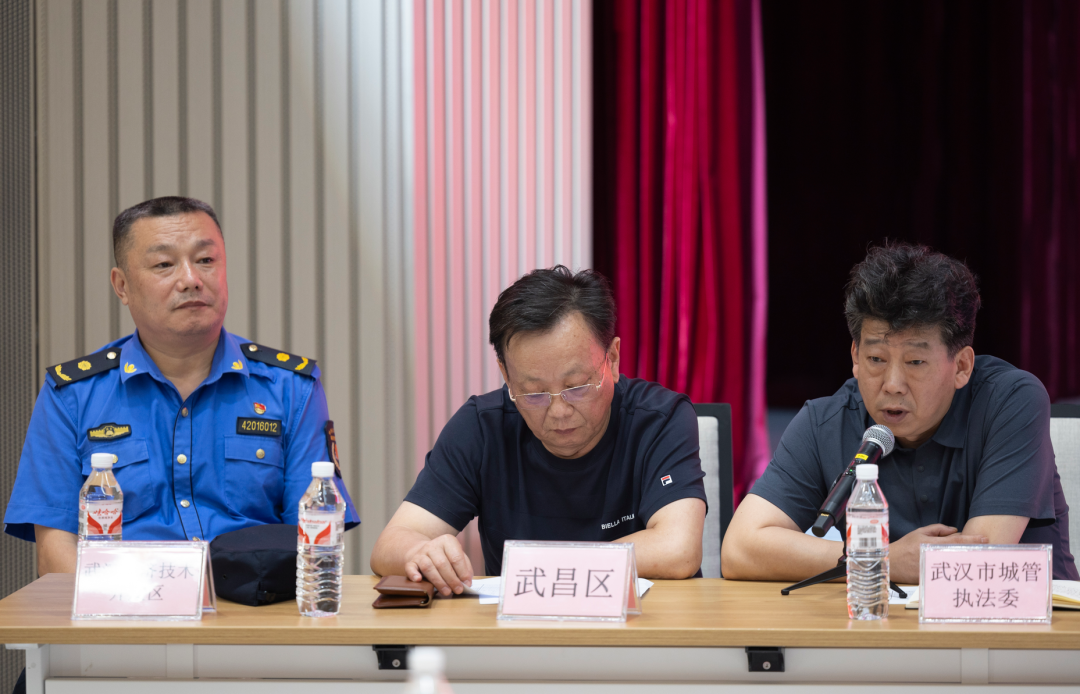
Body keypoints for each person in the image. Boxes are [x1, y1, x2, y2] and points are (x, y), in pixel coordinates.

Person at [3, 196, 359, 575]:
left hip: (253, 605)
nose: (191, 279)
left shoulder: (291, 388)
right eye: (164, 264)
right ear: (122, 286)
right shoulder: (72, 395)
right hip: (123, 605)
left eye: (205, 260)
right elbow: (55, 553)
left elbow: (317, 540)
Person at [723, 243, 1078, 583]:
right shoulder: (825, 423)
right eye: (876, 359)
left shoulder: (1011, 402)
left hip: (1025, 622)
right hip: (882, 623)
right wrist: (880, 559)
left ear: (961, 366)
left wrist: (881, 562)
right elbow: (739, 550)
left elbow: (975, 564)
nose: (892, 384)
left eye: (915, 362)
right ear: (855, 357)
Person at [370, 266, 707, 594]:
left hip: (645, 626)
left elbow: (678, 549)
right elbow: (390, 545)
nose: (559, 411)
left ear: (613, 359)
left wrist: (542, 568)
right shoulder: (482, 427)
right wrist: (420, 553)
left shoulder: (660, 419)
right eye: (534, 393)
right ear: (506, 376)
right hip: (522, 629)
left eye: (577, 386)